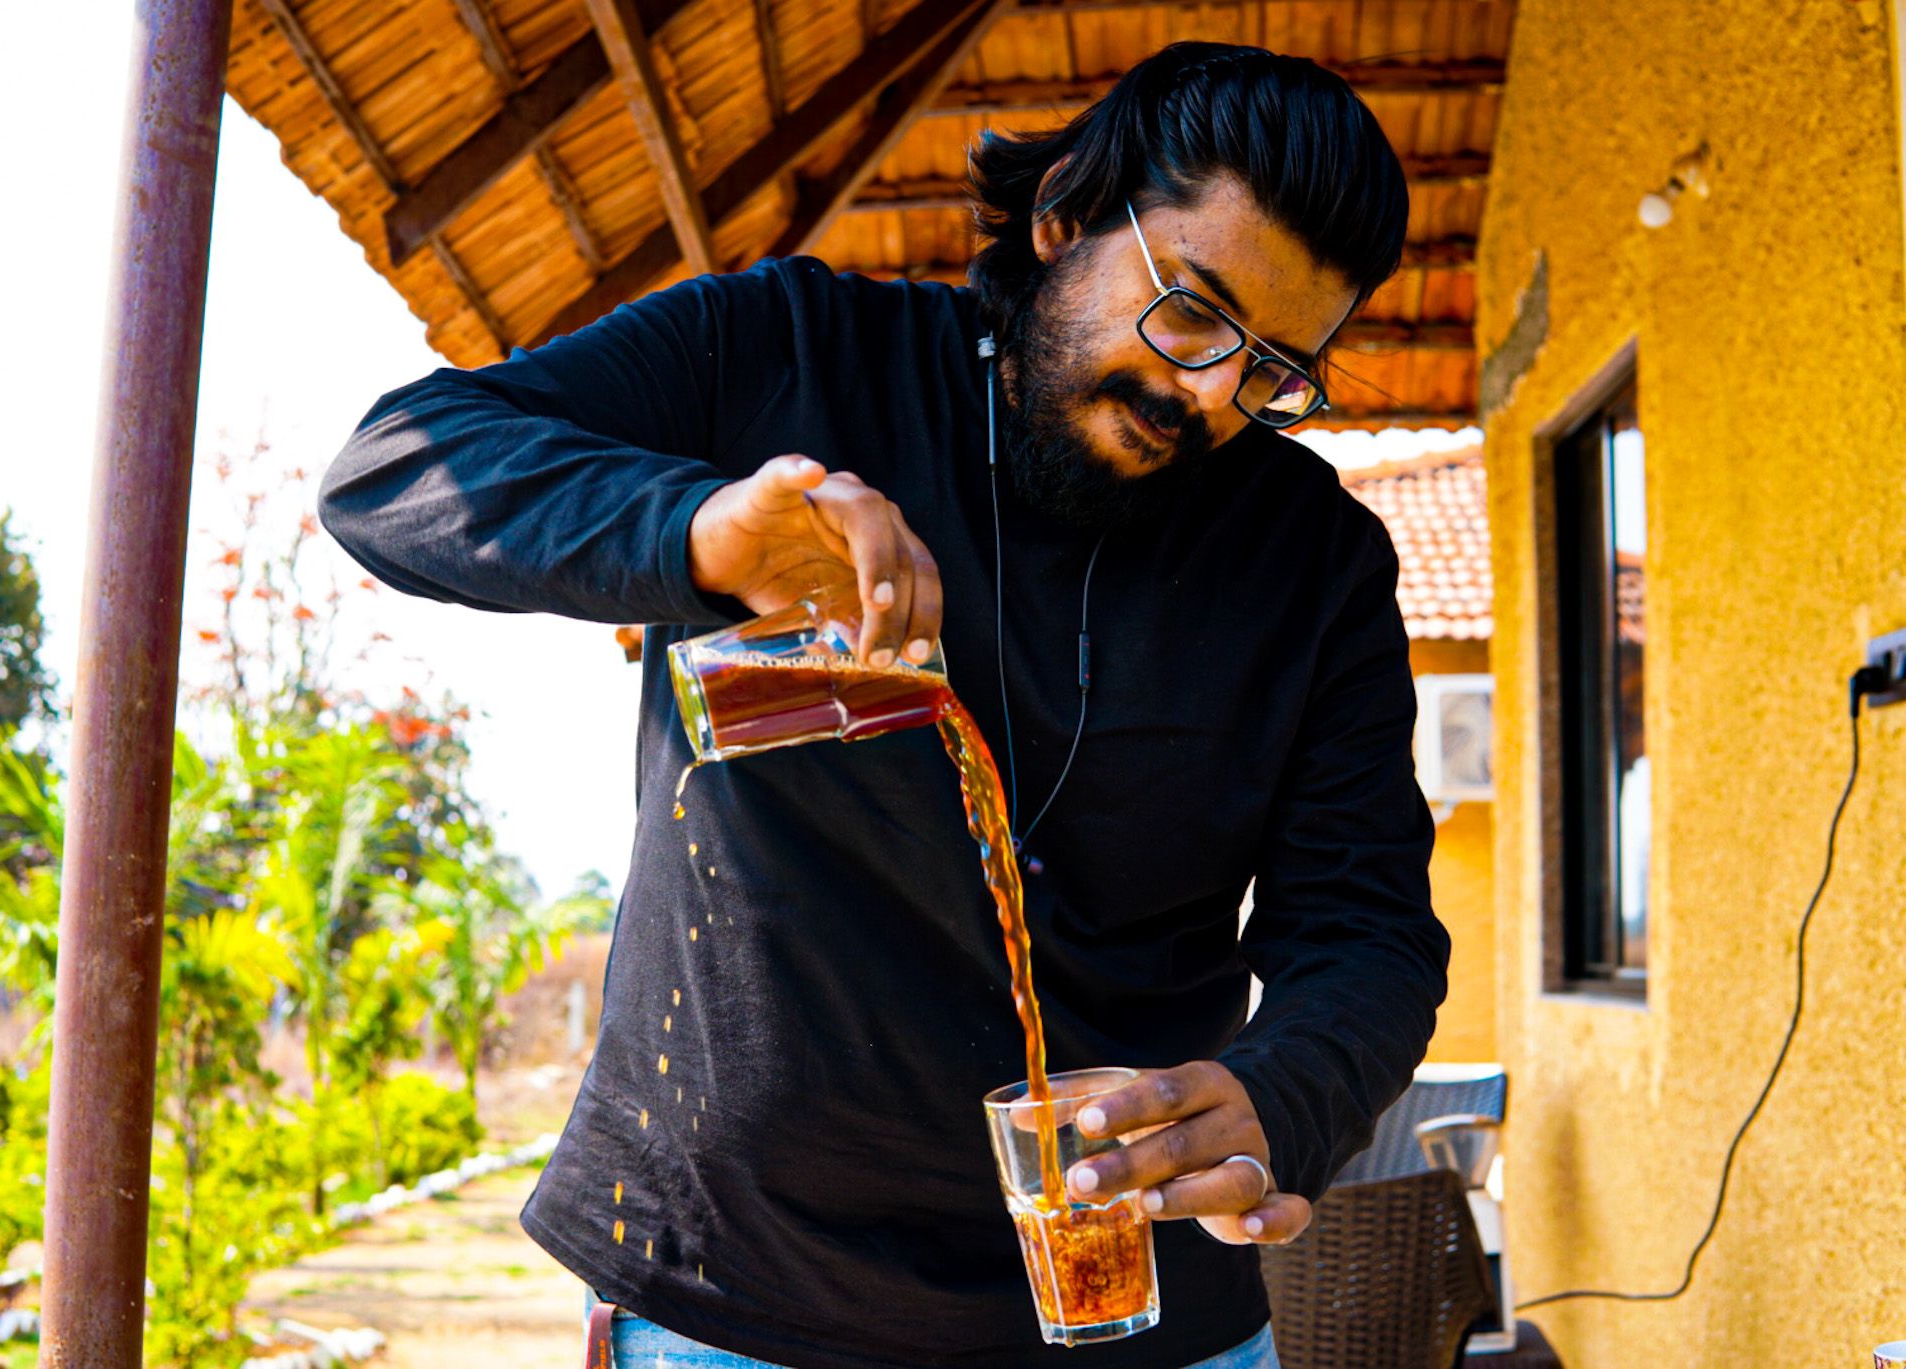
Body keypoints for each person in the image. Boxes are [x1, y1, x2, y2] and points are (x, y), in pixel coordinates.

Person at [319, 41, 1449, 1369]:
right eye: (1191, 312)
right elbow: (397, 466)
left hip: (1143, 1310)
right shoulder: (786, 357)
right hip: (743, 1297)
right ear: (1068, 216)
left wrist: (1281, 1093)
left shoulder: (1310, 561)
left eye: (1270, 370)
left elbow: (1366, 930)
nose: (1209, 393)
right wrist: (689, 530)